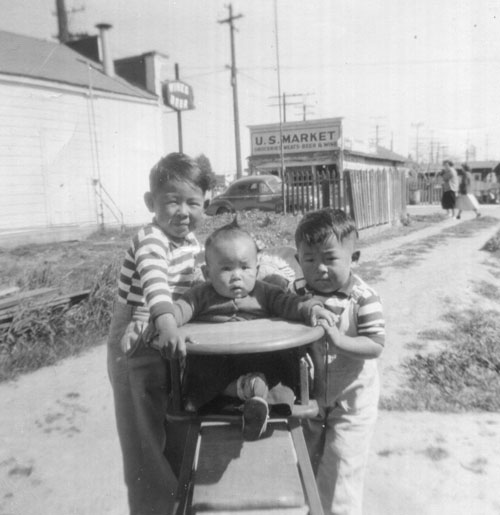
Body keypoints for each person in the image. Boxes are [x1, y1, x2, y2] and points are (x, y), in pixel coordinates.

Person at [145, 220, 336, 440]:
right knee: (200, 368)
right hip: (218, 365)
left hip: (259, 359)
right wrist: (162, 323)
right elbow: (177, 311)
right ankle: (251, 391)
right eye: (226, 268)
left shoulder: (265, 293)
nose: (237, 276)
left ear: (257, 268)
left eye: (245, 267)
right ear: (207, 273)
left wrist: (311, 309)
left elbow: (290, 303)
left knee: (281, 364)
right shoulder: (199, 296)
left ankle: (258, 399)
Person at [107, 152, 212, 515]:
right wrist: (167, 322)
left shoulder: (191, 242)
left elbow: (197, 283)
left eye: (193, 202)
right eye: (173, 201)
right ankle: (153, 509)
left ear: (206, 205)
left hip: (168, 330)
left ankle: (179, 503)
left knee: (177, 417)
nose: (183, 211)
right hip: (138, 336)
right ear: (152, 203)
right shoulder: (152, 238)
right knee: (144, 436)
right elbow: (155, 285)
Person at [293, 208, 385, 515]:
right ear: (298, 261)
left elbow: (374, 345)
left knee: (341, 469)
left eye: (330, 259)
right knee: (305, 464)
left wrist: (340, 341)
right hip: (310, 397)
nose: (319, 268)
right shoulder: (298, 293)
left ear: (354, 258)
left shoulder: (363, 298)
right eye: (309, 259)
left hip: (351, 403)